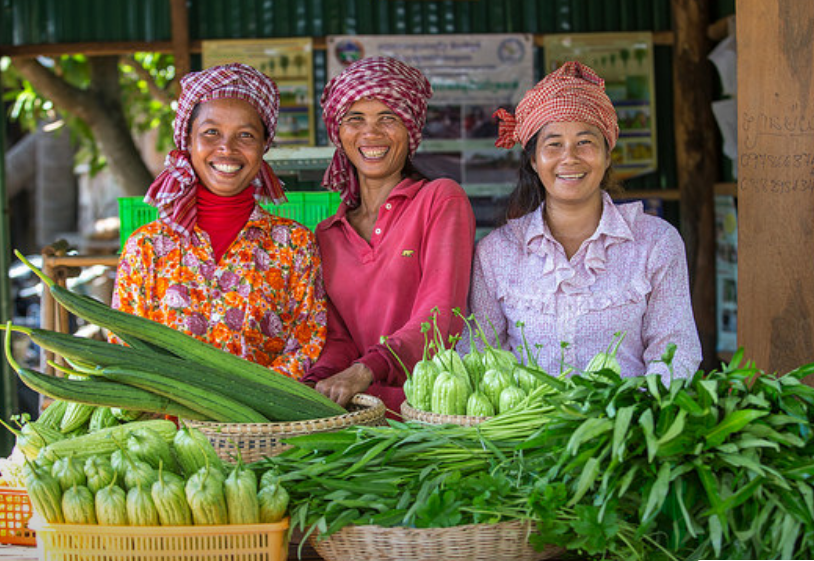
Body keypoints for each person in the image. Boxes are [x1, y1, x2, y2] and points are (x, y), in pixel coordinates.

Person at [463, 61, 702, 381]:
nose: (570, 157)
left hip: (628, 425)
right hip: (527, 428)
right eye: (554, 144)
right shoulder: (497, 253)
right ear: (534, 160)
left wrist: (634, 415)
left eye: (585, 142)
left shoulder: (655, 242)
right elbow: (479, 357)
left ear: (607, 154)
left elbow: (675, 349)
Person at [112, 63, 326, 379]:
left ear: (264, 146)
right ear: (188, 141)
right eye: (211, 132)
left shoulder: (293, 245)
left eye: (246, 135)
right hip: (167, 424)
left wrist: (247, 405)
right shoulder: (147, 247)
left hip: (263, 424)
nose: (227, 148)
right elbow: (124, 345)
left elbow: (308, 343)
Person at [301, 57, 476, 413]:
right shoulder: (327, 234)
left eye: (388, 118)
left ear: (410, 129)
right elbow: (338, 339)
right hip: (356, 416)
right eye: (356, 119)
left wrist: (364, 371)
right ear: (339, 133)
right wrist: (314, 383)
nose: (371, 133)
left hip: (426, 414)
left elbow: (440, 317)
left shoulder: (440, 199)